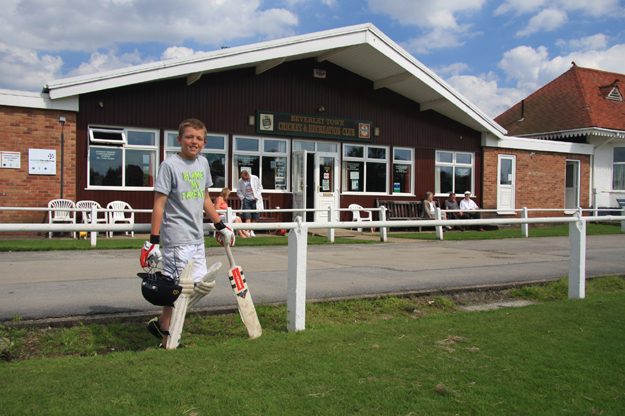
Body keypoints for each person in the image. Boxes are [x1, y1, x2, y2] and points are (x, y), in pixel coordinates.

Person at [142, 118, 234, 347]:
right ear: (180, 139)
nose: (194, 141)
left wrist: (221, 226)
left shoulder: (203, 164)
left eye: (199, 138)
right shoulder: (169, 166)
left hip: (196, 237)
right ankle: (168, 338)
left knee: (202, 285)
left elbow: (205, 200)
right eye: (189, 137)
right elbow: (159, 205)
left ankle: (162, 322)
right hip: (176, 238)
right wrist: (154, 241)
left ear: (204, 143)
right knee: (178, 289)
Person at [237, 169, 263, 237]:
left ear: (247, 175)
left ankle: (252, 231)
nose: (243, 180)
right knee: (247, 215)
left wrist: (256, 196)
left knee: (255, 215)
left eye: (244, 178)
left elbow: (260, 188)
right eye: (242, 178)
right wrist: (243, 198)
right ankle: (247, 231)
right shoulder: (240, 181)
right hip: (246, 199)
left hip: (255, 199)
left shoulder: (255, 178)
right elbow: (238, 190)